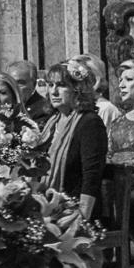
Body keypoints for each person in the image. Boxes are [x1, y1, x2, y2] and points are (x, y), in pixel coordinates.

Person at [40, 60, 108, 220]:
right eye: (50, 85)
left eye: (61, 85)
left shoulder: (90, 122)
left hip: (76, 208)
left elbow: (92, 175)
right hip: (48, 203)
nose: (54, 91)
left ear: (79, 90)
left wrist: (82, 216)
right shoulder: (51, 123)